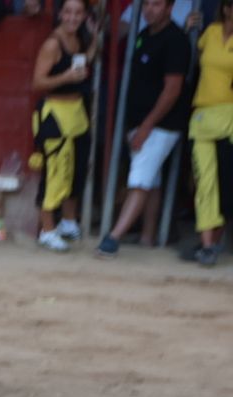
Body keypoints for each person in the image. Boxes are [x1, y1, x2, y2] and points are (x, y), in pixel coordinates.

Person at [97, 0, 193, 256]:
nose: (150, 10)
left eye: (157, 5)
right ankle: (148, 236)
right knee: (151, 180)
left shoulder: (176, 40)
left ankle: (113, 237)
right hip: (142, 122)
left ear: (169, 8)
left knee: (139, 179)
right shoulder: (143, 35)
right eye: (147, 4)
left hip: (160, 124)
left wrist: (146, 126)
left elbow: (172, 90)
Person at [29, 0, 99, 252]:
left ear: (83, 16)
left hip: (76, 112)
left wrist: (95, 40)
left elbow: (84, 60)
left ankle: (68, 222)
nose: (72, 17)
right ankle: (47, 230)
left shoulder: (78, 39)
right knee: (56, 173)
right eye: (68, 12)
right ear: (60, 13)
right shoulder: (52, 43)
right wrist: (66, 77)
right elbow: (37, 82)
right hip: (55, 113)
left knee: (77, 169)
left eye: (77, 12)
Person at [186, 0, 233, 265]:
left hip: (230, 115)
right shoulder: (211, 32)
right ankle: (207, 244)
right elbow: (193, 59)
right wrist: (187, 30)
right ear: (226, 8)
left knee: (226, 180)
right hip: (203, 114)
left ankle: (215, 239)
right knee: (205, 181)